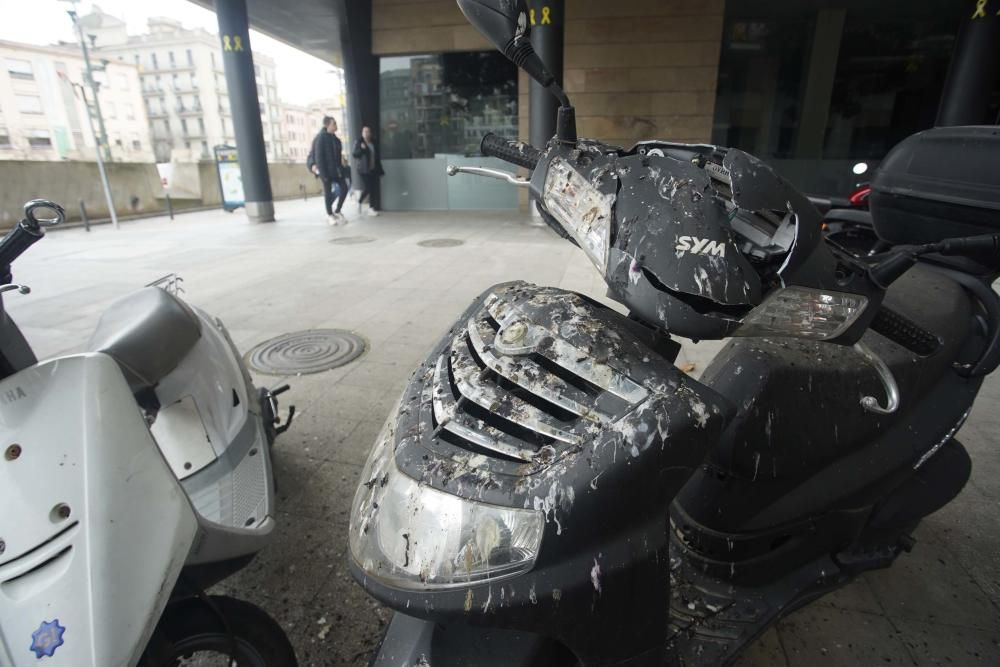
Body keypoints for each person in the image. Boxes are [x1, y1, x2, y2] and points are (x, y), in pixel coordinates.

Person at [310, 116, 348, 225]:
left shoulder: (336, 139)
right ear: (327, 125)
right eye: (334, 123)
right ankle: (329, 215)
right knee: (327, 192)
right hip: (326, 171)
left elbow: (338, 156)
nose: (336, 125)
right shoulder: (320, 138)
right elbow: (319, 157)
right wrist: (323, 174)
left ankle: (338, 210)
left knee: (344, 188)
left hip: (337, 171)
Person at [352, 126, 384, 217]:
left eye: (368, 131)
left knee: (373, 189)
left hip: (373, 169)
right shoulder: (359, 142)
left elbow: (376, 157)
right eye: (364, 132)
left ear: (370, 133)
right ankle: (360, 201)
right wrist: (361, 149)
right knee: (368, 188)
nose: (366, 133)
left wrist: (380, 170)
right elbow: (355, 154)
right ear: (362, 133)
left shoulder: (373, 142)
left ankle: (371, 208)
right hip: (363, 169)